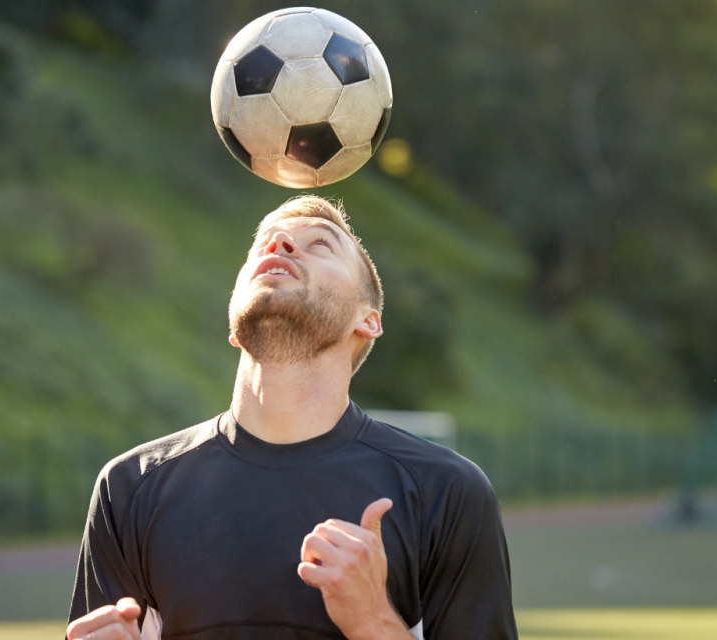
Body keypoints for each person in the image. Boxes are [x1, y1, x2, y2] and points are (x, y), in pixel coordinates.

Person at [66, 196, 516, 640]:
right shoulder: (130, 488)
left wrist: (374, 622)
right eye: (264, 242)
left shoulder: (447, 492)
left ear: (369, 320)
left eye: (320, 244)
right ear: (234, 318)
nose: (279, 243)